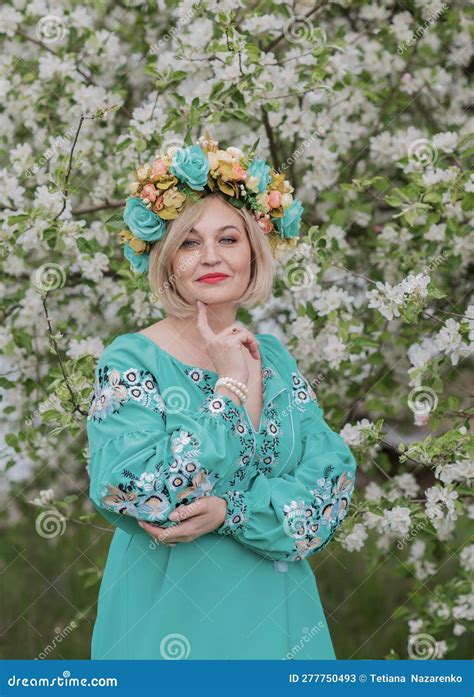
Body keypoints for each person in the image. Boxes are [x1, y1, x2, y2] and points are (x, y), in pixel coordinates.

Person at [86, 134, 357, 660]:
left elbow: (331, 485)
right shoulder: (130, 360)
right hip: (164, 621)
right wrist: (229, 389)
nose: (210, 256)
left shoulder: (274, 358)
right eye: (189, 242)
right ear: (167, 260)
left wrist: (232, 511)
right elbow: (139, 491)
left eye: (228, 239)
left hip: (281, 621)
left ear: (254, 253)